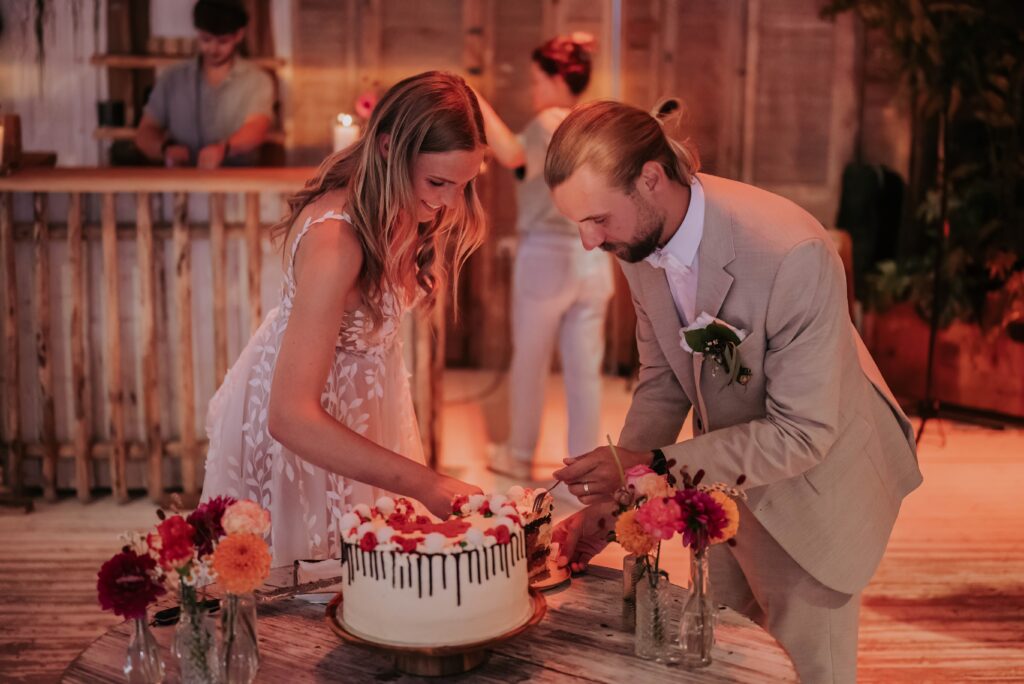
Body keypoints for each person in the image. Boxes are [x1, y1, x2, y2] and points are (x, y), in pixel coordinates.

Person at [545, 100, 923, 682]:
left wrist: (654, 466)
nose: (588, 241)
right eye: (578, 222)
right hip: (724, 482)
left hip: (816, 495)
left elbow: (803, 433)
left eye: (596, 218)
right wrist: (615, 500)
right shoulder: (637, 240)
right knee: (720, 662)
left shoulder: (791, 253)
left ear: (651, 178)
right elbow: (663, 380)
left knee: (809, 672)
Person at [201, 72, 487, 565]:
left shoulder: (403, 203)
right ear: (388, 149)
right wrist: (427, 484)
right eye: (438, 183)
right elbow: (290, 416)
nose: (448, 202)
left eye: (463, 185)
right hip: (308, 435)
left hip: (360, 419)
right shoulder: (335, 244)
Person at [474, 34, 613, 480]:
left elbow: (513, 156)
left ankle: (519, 454)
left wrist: (474, 99)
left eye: (536, 81)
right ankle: (586, 467)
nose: (532, 91)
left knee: (530, 362)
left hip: (547, 258)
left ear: (556, 79)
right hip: (595, 256)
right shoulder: (593, 122)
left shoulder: (549, 121)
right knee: (584, 372)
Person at [135, 0, 274, 168]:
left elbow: (257, 128)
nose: (213, 49)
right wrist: (164, 149)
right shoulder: (172, 78)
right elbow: (146, 130)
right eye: (206, 40)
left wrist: (225, 148)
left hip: (238, 179)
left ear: (239, 35)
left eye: (223, 41)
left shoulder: (256, 80)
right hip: (182, 179)